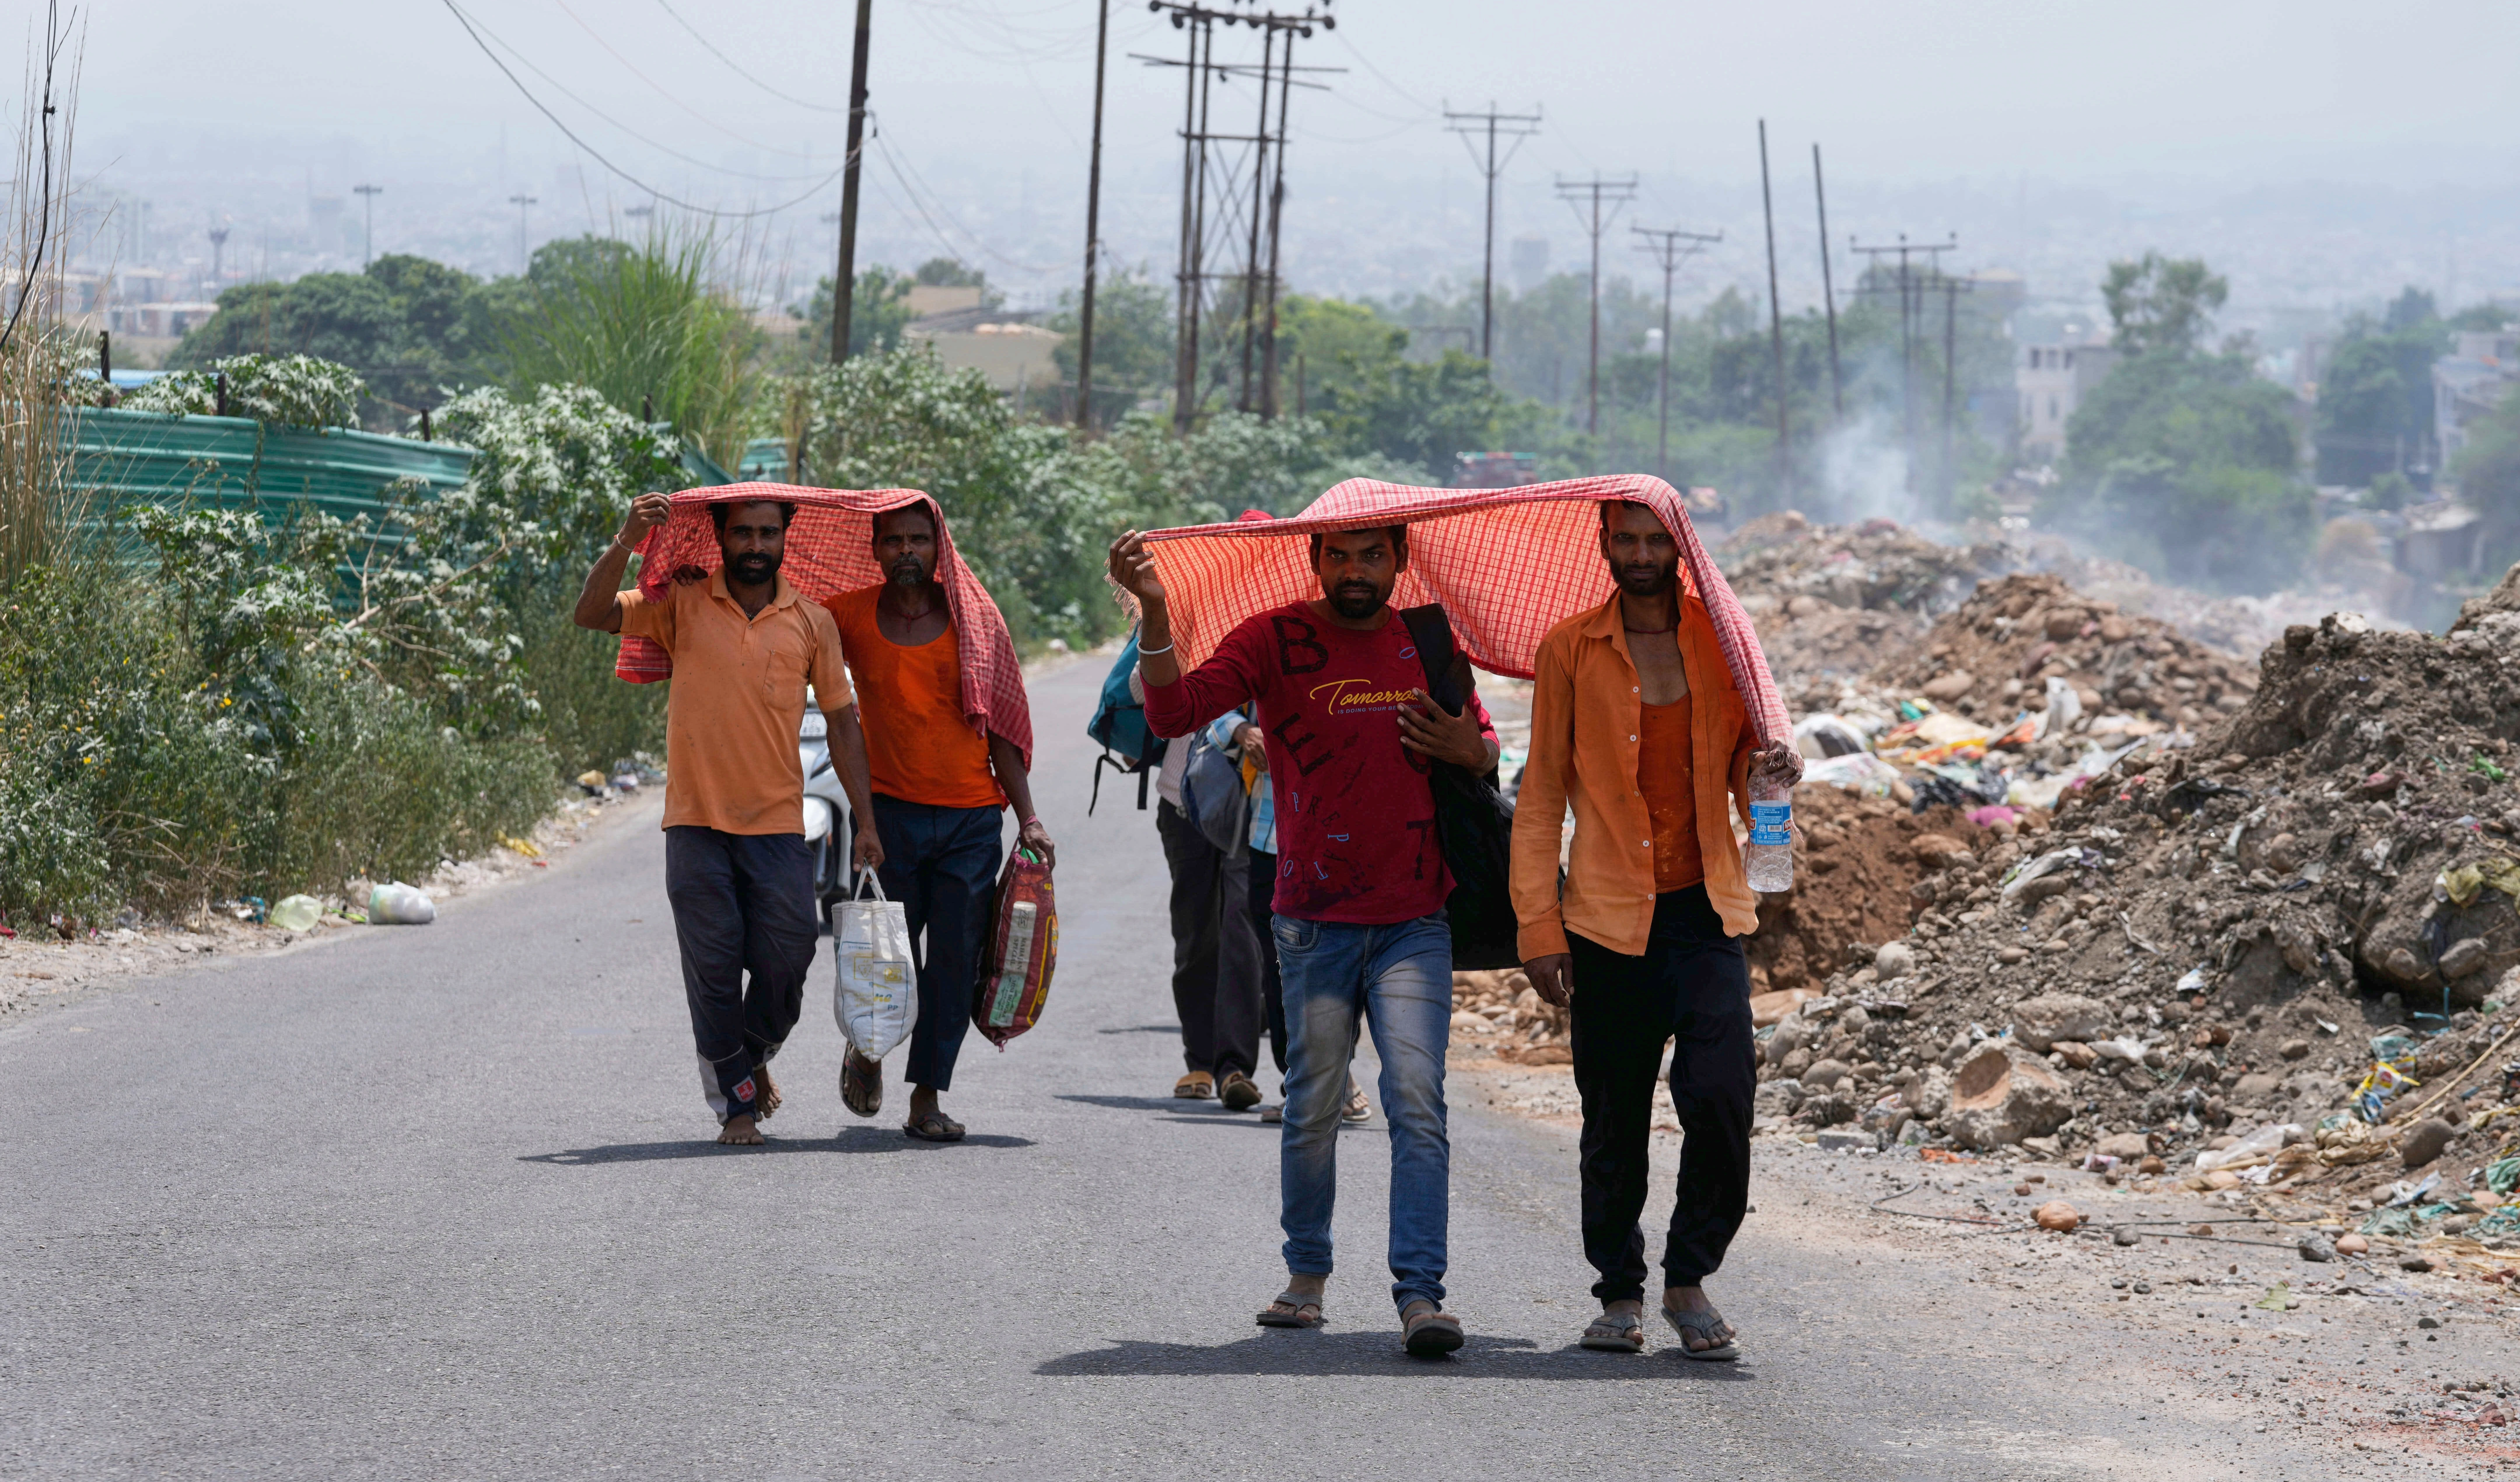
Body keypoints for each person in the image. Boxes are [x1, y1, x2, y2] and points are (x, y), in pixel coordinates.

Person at [1110, 521, 1496, 1358]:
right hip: (1313, 918)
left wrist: (1469, 747)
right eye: (1340, 556)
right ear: (1315, 561)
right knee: (1314, 1105)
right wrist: (1152, 612)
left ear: (1399, 561)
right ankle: (1307, 1277)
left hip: (1413, 919)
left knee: (1418, 1106)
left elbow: (1484, 745)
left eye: (1372, 556)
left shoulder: (1427, 642)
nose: (1355, 572)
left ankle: (1421, 1295)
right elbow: (1175, 710)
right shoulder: (1273, 640)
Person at [1512, 498, 1793, 1360]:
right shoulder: (1570, 649)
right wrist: (1537, 924)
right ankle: (1621, 1291)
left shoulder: (1723, 643)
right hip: (1601, 916)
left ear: (1681, 549)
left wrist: (1774, 786)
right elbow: (1543, 795)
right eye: (1625, 539)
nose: (1639, 555)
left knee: (1720, 1096)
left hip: (1706, 910)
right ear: (1603, 544)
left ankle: (1688, 1276)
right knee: (1614, 1116)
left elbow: (1756, 770)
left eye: (1655, 541)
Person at [574, 492, 881, 1146]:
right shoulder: (681, 605)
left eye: (768, 533)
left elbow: (843, 723)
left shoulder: (812, 621)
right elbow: (591, 613)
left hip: (777, 828)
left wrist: (867, 822)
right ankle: (737, 1107)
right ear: (722, 538)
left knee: (790, 957)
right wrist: (628, 540)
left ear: (784, 539)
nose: (755, 545)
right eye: (743, 533)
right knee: (712, 969)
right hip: (695, 824)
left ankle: (749, 1059)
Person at [822, 504, 1053, 1143]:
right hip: (887, 816)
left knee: (954, 962)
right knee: (883, 958)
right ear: (874, 549)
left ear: (939, 546)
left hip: (970, 821)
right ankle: (868, 1048)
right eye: (893, 540)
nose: (907, 551)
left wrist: (1028, 817)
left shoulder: (975, 621)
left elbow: (1000, 729)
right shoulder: (848, 616)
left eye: (919, 540)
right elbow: (789, 633)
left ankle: (926, 1097)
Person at [1137, 688, 1266, 1109]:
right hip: (1184, 800)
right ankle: (1200, 1060)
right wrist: (1163, 637)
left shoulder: (1279, 625)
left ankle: (1234, 1068)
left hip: (1259, 804)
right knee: (1195, 935)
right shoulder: (1179, 624)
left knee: (1241, 933)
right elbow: (1144, 690)